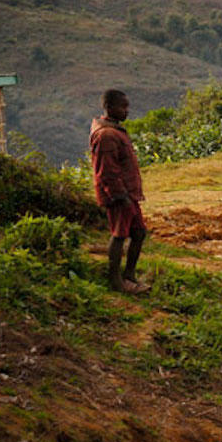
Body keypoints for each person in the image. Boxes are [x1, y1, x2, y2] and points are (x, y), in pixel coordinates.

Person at [90, 89, 149, 294]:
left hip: (128, 194)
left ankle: (129, 276)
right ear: (109, 107)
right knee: (119, 235)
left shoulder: (114, 131)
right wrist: (119, 195)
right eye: (123, 107)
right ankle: (116, 281)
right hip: (118, 195)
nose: (127, 111)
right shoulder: (106, 135)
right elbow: (106, 171)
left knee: (139, 232)